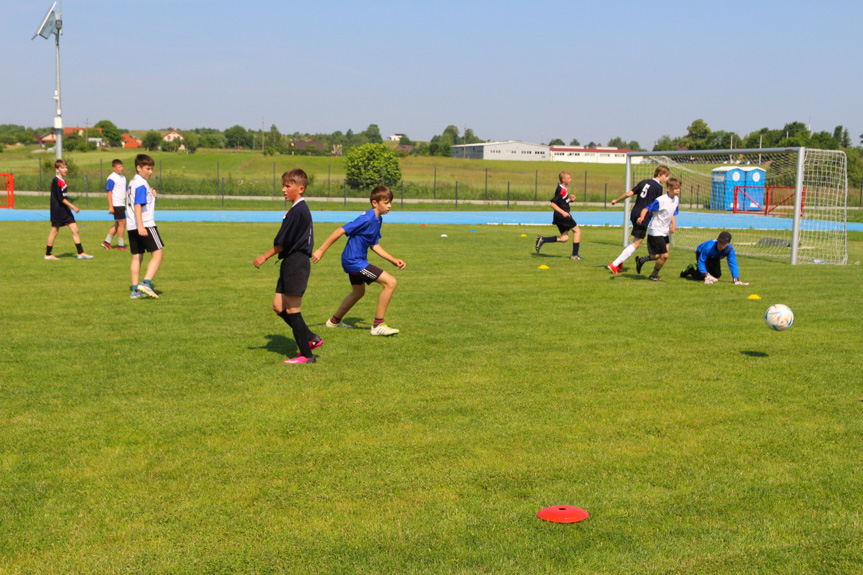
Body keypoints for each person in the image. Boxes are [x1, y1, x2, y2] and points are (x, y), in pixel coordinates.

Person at [312, 185, 406, 336]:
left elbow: (374, 244)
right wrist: (321, 250)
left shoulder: (377, 219)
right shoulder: (367, 218)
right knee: (390, 282)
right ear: (375, 203)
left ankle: (334, 322)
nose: (390, 206)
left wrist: (393, 260)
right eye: (386, 202)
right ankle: (378, 325)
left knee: (358, 292)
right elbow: (340, 230)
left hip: (355, 260)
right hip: (354, 261)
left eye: (390, 202)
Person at [254, 168, 322, 364]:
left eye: (287, 186)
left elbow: (283, 242)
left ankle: (307, 356)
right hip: (289, 263)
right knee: (278, 306)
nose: (283, 189)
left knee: (293, 310)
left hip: (297, 263)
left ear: (300, 189)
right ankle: (310, 337)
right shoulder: (295, 209)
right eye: (283, 185)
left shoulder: (299, 210)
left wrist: (264, 257)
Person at [607, 165, 670, 274]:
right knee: (637, 243)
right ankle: (614, 264)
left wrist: (617, 200)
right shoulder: (658, 188)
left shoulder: (644, 182)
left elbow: (629, 193)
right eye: (666, 176)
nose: (667, 179)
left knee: (635, 240)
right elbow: (657, 205)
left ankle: (620, 261)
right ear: (659, 175)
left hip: (634, 212)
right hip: (643, 216)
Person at [126, 154, 163, 299]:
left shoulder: (133, 182)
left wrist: (152, 195)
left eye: (151, 169)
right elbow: (137, 205)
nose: (150, 172)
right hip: (145, 224)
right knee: (158, 254)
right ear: (138, 168)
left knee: (137, 257)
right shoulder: (141, 183)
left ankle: (135, 290)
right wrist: (141, 226)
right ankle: (146, 283)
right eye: (147, 168)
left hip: (131, 225)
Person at [44, 159, 94, 260]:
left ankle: (80, 253)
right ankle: (48, 254)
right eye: (62, 168)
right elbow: (61, 198)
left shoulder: (63, 180)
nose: (65, 169)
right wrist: (73, 206)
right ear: (57, 170)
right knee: (54, 231)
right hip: (58, 210)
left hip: (65, 210)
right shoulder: (56, 181)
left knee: (75, 229)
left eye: (66, 167)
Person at [634, 177, 681, 282]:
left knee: (662, 256)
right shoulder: (661, 200)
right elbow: (646, 208)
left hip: (664, 232)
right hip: (656, 231)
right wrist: (641, 217)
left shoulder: (676, 199)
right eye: (676, 188)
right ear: (668, 188)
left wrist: (673, 224)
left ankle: (642, 261)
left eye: (679, 188)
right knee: (663, 255)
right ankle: (653, 275)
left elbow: (673, 212)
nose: (678, 190)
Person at [535, 170, 582, 259]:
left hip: (559, 216)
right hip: (562, 216)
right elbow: (553, 204)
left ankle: (543, 239)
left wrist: (570, 200)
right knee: (577, 231)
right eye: (569, 178)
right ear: (563, 179)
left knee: (564, 238)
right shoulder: (561, 190)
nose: (570, 180)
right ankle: (575, 255)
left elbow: (562, 202)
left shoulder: (563, 189)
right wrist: (564, 213)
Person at [680, 231, 749, 285]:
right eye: (720, 242)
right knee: (700, 277)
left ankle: (701, 268)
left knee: (717, 275)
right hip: (701, 253)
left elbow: (732, 263)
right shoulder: (708, 248)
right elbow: (702, 261)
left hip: (715, 256)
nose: (720, 245)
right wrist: (706, 274)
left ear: (728, 243)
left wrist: (736, 279)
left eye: (723, 243)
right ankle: (690, 269)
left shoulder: (730, 249)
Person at [101, 159, 128, 250]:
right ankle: (121, 245)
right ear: (114, 168)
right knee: (122, 223)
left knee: (118, 224)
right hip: (116, 204)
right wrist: (111, 206)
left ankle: (106, 242)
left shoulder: (123, 178)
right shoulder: (112, 178)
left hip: (121, 203)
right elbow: (109, 192)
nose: (121, 168)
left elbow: (126, 191)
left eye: (122, 166)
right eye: (119, 167)